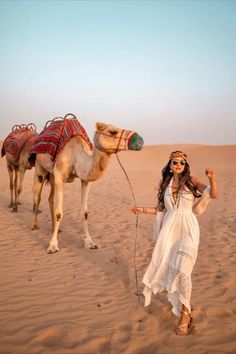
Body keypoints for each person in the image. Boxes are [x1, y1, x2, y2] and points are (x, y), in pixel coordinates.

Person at [131, 151, 218, 336]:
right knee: (171, 267)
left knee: (183, 270)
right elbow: (162, 209)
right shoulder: (166, 184)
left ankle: (185, 314)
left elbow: (213, 195)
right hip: (169, 231)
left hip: (187, 228)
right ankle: (184, 306)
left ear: (185, 165)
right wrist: (142, 210)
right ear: (170, 165)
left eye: (181, 162)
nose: (178, 164)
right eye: (174, 161)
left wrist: (212, 179)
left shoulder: (191, 180)